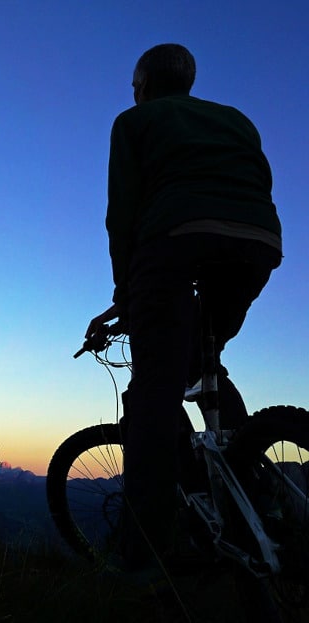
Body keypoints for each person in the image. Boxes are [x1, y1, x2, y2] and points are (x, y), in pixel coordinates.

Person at [85, 43, 283, 569]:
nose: (134, 93)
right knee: (203, 356)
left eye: (134, 86)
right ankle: (247, 476)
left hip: (172, 240)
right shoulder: (236, 120)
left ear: (144, 84)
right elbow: (257, 181)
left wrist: (125, 294)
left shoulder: (134, 122)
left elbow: (121, 213)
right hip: (256, 243)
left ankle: (139, 555)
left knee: (154, 390)